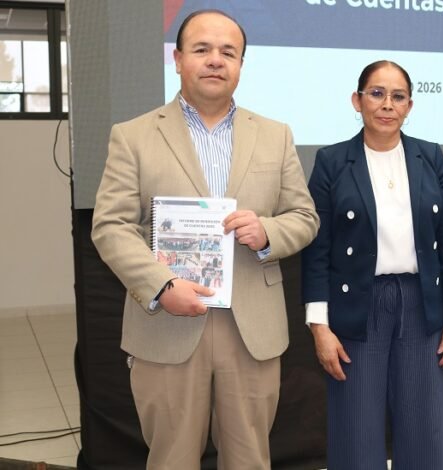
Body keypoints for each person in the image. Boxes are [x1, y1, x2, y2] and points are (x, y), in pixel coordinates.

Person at [91, 9, 319, 469]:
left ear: (240, 65)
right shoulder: (132, 136)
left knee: (250, 458)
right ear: (177, 60)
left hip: (251, 328)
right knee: (171, 459)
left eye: (228, 52)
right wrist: (161, 285)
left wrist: (268, 232)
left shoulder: (275, 135)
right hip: (167, 322)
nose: (216, 60)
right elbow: (111, 225)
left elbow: (304, 216)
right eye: (202, 49)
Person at [301, 60, 443, 470]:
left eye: (398, 96)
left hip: (421, 304)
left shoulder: (430, 156)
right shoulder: (332, 161)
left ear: (409, 106)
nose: (387, 104)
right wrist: (319, 327)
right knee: (356, 429)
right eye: (377, 94)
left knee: (424, 428)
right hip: (357, 306)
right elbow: (317, 250)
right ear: (357, 100)